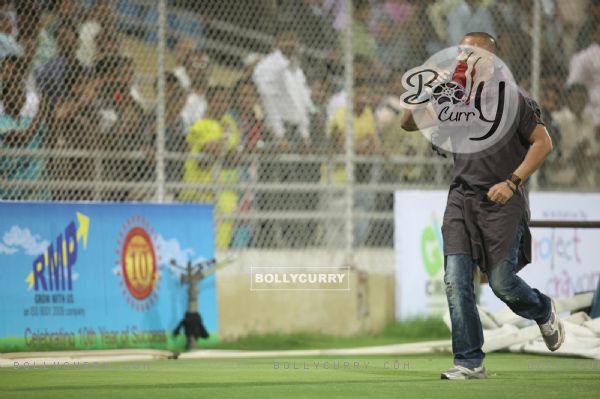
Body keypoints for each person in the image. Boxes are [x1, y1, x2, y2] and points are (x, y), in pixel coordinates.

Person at [400, 32, 563, 379]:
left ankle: (542, 309)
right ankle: (470, 361)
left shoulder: (513, 98)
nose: (462, 57)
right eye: (459, 51)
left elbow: (543, 143)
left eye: (470, 52)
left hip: (502, 198)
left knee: (503, 284)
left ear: (489, 59)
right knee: (455, 280)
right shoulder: (452, 96)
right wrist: (429, 90)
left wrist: (513, 181)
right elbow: (407, 123)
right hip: (461, 197)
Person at [253, 23, 314, 150]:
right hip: (275, 132)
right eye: (285, 39)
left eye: (292, 39)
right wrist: (279, 136)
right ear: (276, 42)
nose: (290, 43)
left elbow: (302, 102)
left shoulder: (297, 70)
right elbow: (268, 102)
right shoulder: (267, 67)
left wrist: (304, 134)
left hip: (296, 132)